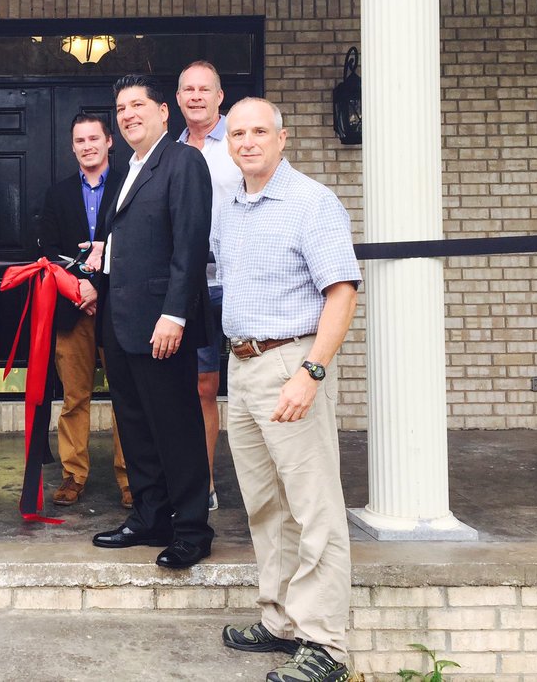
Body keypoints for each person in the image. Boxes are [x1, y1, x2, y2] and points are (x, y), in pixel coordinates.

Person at [216, 97, 360, 682]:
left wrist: (312, 371)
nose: (247, 141)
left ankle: (325, 644)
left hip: (291, 365)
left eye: (259, 131)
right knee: (265, 504)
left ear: (283, 138)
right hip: (243, 367)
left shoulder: (312, 202)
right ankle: (279, 620)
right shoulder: (231, 207)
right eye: (237, 134)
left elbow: (343, 293)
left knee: (314, 506)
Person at [90, 75, 214, 569]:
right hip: (120, 322)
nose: (127, 114)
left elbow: (189, 244)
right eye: (120, 107)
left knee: (176, 428)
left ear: (165, 111)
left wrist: (175, 313)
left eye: (137, 104)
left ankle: (191, 529)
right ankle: (149, 516)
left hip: (162, 323)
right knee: (136, 426)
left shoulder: (183, 161)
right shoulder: (127, 170)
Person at [35, 113, 130, 508]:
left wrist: (98, 286)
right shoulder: (57, 195)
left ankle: (131, 478)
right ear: (72, 146)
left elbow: (137, 245)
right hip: (72, 309)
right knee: (75, 397)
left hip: (120, 308)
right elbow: (48, 252)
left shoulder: (130, 186)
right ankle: (74, 475)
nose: (87, 145)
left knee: (128, 397)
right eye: (80, 140)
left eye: (95, 138)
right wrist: (80, 289)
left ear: (110, 142)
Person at [175, 60, 243, 511]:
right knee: (199, 385)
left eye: (205, 89)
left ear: (220, 97)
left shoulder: (239, 142)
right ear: (177, 100)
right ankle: (204, 483)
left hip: (239, 283)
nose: (196, 96)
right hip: (194, 285)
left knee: (253, 382)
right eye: (188, 90)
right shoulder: (171, 150)